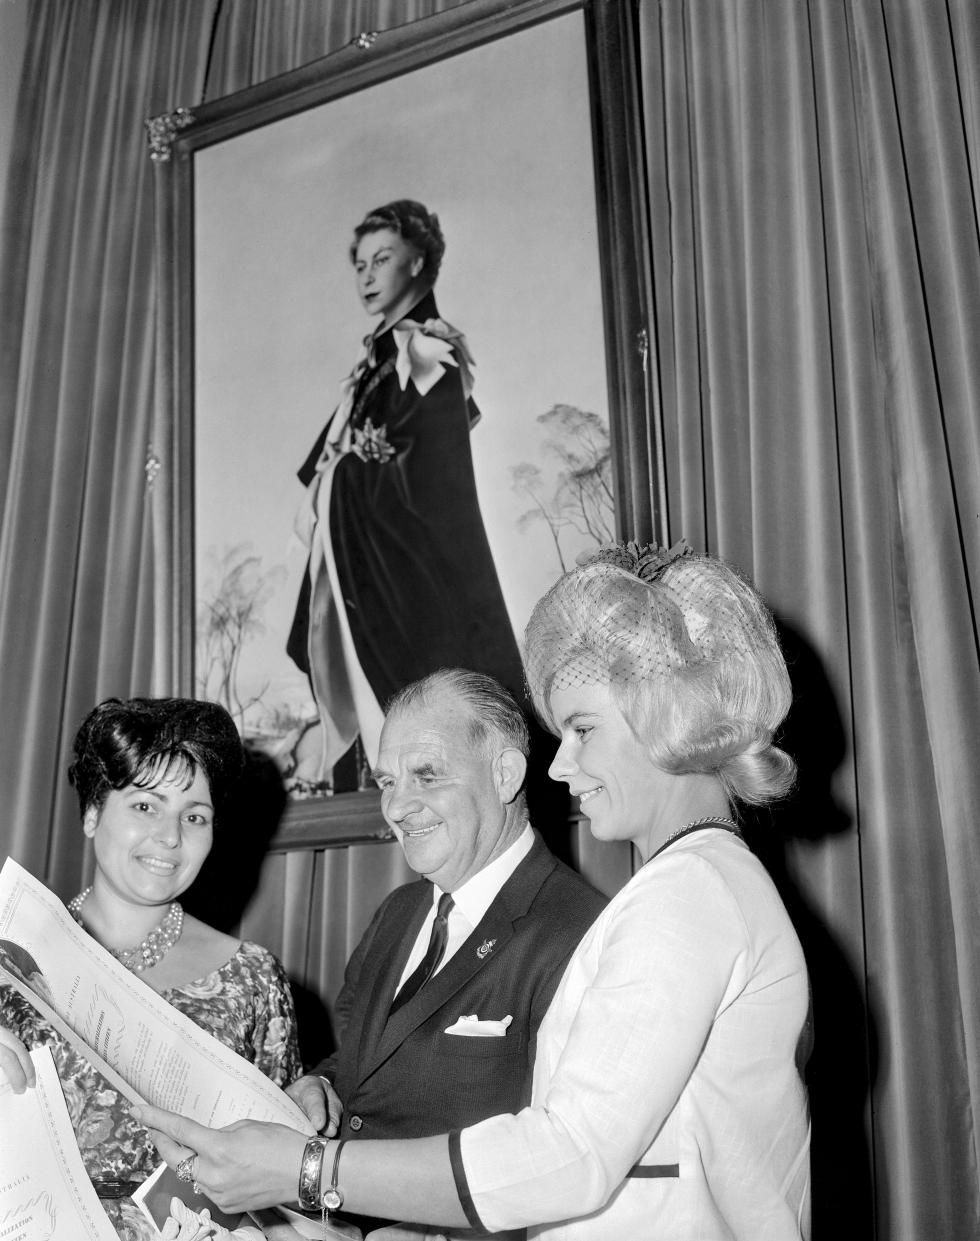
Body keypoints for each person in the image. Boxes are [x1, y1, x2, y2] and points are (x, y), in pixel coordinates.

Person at [137, 542, 812, 1241]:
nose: (561, 766)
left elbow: (569, 1154)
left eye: (582, 729)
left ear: (669, 712)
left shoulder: (688, 892)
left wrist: (307, 1171)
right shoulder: (697, 880)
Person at [284, 668, 606, 1236]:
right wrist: (324, 1087)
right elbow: (371, 1063)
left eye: (426, 776)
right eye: (388, 781)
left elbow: (569, 1161)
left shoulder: (580, 930)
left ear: (505, 774)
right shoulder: (398, 913)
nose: (396, 807)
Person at [0, 697, 301, 1241]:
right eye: (145, 806)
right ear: (92, 814)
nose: (170, 835)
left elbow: (284, 1186)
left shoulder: (253, 980)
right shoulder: (10, 960)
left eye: (194, 816)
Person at [287, 200, 525, 782]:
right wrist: (344, 473)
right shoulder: (376, 359)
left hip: (412, 574)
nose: (367, 275)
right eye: (360, 264)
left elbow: (431, 480)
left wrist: (351, 474)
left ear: (418, 262)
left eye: (382, 259)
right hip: (365, 559)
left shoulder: (426, 352)